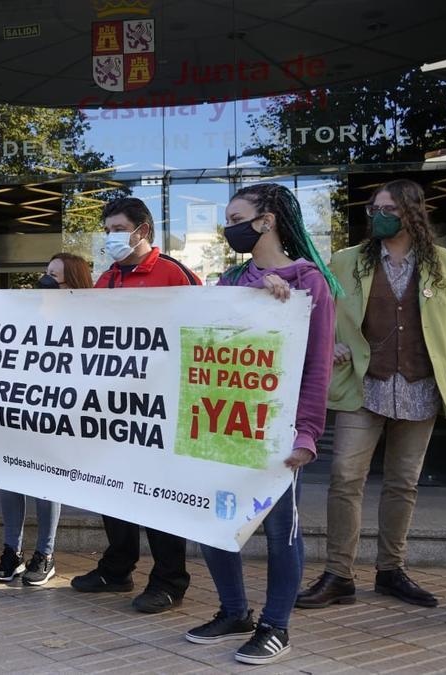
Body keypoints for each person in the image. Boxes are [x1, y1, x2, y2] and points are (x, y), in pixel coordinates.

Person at [297, 179, 446, 610]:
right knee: (345, 479)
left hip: (421, 388)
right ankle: (338, 575)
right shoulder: (347, 261)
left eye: (387, 209)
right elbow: (313, 309)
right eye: (373, 208)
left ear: (411, 212)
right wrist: (327, 344)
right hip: (364, 385)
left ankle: (390, 571)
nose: (377, 216)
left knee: (403, 484)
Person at [182, 182, 338, 665]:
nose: (228, 227)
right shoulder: (231, 281)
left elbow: (317, 365)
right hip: (223, 425)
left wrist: (308, 432)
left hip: (278, 430)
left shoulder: (310, 282)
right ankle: (234, 611)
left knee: (278, 531)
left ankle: (276, 624)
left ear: (266, 220)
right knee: (215, 523)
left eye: (235, 216)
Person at [71, 197, 199, 613]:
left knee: (159, 495)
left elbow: (201, 332)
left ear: (143, 230)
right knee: (112, 492)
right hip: (112, 408)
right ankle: (117, 568)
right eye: (106, 230)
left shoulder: (174, 275)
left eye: (117, 228)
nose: (110, 237)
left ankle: (169, 580)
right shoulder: (106, 279)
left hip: (159, 409)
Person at [0, 252, 93, 587]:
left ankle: (44, 555)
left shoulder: (88, 319)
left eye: (55, 276)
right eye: (45, 273)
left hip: (58, 412)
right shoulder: (27, 313)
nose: (46, 280)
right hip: (21, 408)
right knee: (9, 480)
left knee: (47, 482)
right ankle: (11, 552)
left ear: (72, 283)